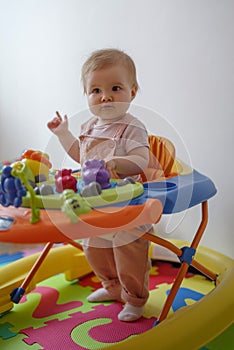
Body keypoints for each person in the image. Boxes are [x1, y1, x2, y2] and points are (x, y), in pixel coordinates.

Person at [47, 48, 152, 322]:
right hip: (96, 205)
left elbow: (141, 161)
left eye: (115, 88)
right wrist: (63, 134)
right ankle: (111, 286)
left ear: (133, 91)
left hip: (130, 208)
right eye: (95, 90)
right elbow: (79, 155)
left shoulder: (133, 127)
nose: (105, 96)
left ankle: (134, 297)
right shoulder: (91, 126)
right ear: (87, 96)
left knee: (127, 246)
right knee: (92, 245)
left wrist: (118, 162)